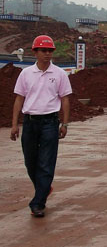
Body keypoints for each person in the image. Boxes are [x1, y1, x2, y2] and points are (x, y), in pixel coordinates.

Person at [10, 35, 72, 217]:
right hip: (30, 122)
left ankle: (38, 203)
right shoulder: (26, 74)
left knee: (46, 162)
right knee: (30, 161)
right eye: (43, 50)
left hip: (50, 123)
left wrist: (65, 123)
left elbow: (65, 99)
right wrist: (14, 124)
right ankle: (43, 188)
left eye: (50, 51)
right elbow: (19, 99)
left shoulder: (59, 74)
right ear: (35, 52)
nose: (47, 54)